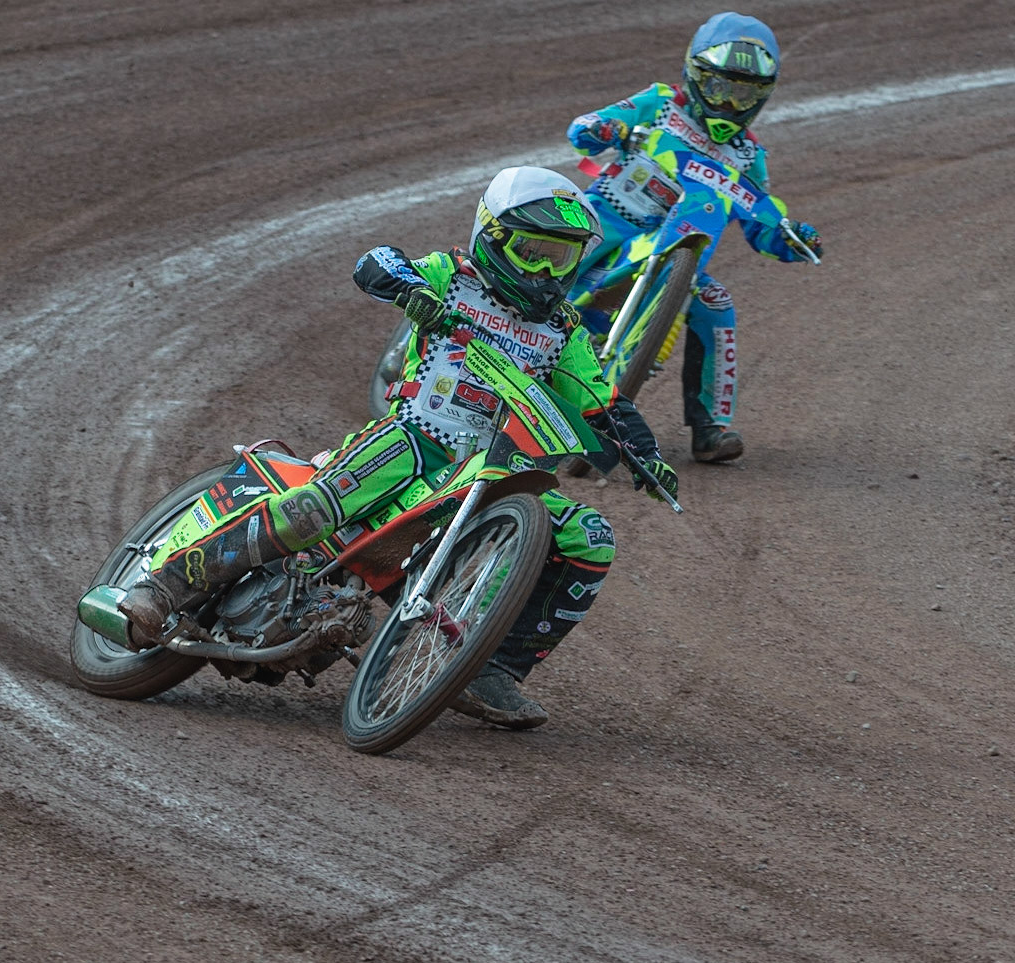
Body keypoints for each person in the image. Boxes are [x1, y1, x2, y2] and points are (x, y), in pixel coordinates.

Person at [118, 167, 677, 729]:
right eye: (533, 251)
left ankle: (491, 668)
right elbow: (377, 262)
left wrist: (646, 455)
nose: (545, 270)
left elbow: (600, 401)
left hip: (487, 470)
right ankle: (170, 584)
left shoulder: (563, 331)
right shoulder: (454, 278)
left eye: (560, 257)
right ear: (493, 237)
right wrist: (411, 291)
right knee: (316, 508)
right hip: (413, 439)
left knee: (591, 538)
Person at [566, 11, 823, 464]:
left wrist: (793, 238)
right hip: (604, 227)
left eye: (743, 92)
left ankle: (709, 427)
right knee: (537, 248)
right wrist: (602, 129)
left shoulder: (747, 155)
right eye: (720, 86)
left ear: (762, 96)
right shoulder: (660, 103)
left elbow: (762, 222)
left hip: (677, 252)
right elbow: (586, 128)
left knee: (716, 302)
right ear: (696, 74)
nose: (727, 101)